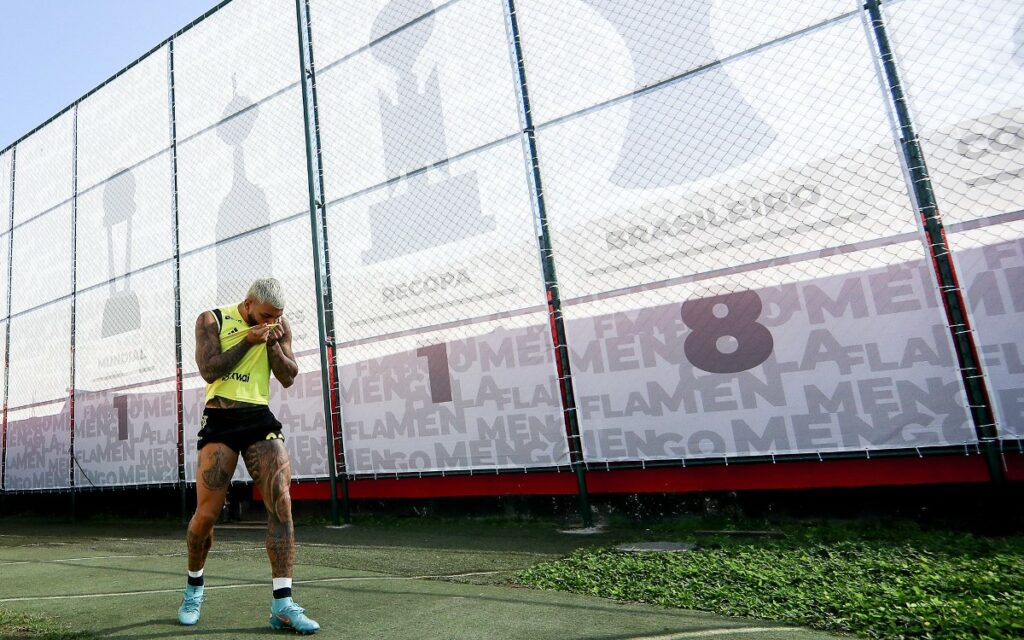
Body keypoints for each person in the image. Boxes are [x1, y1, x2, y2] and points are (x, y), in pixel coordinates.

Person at [177, 277, 319, 634]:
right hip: (221, 419)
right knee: (206, 514)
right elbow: (209, 369)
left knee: (281, 504)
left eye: (277, 317)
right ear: (249, 304)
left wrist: (272, 344)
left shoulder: (278, 326)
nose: (271, 321)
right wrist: (247, 340)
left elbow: (288, 376)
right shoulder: (212, 320)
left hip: (258, 416)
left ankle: (283, 604)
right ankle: (194, 588)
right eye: (265, 315)